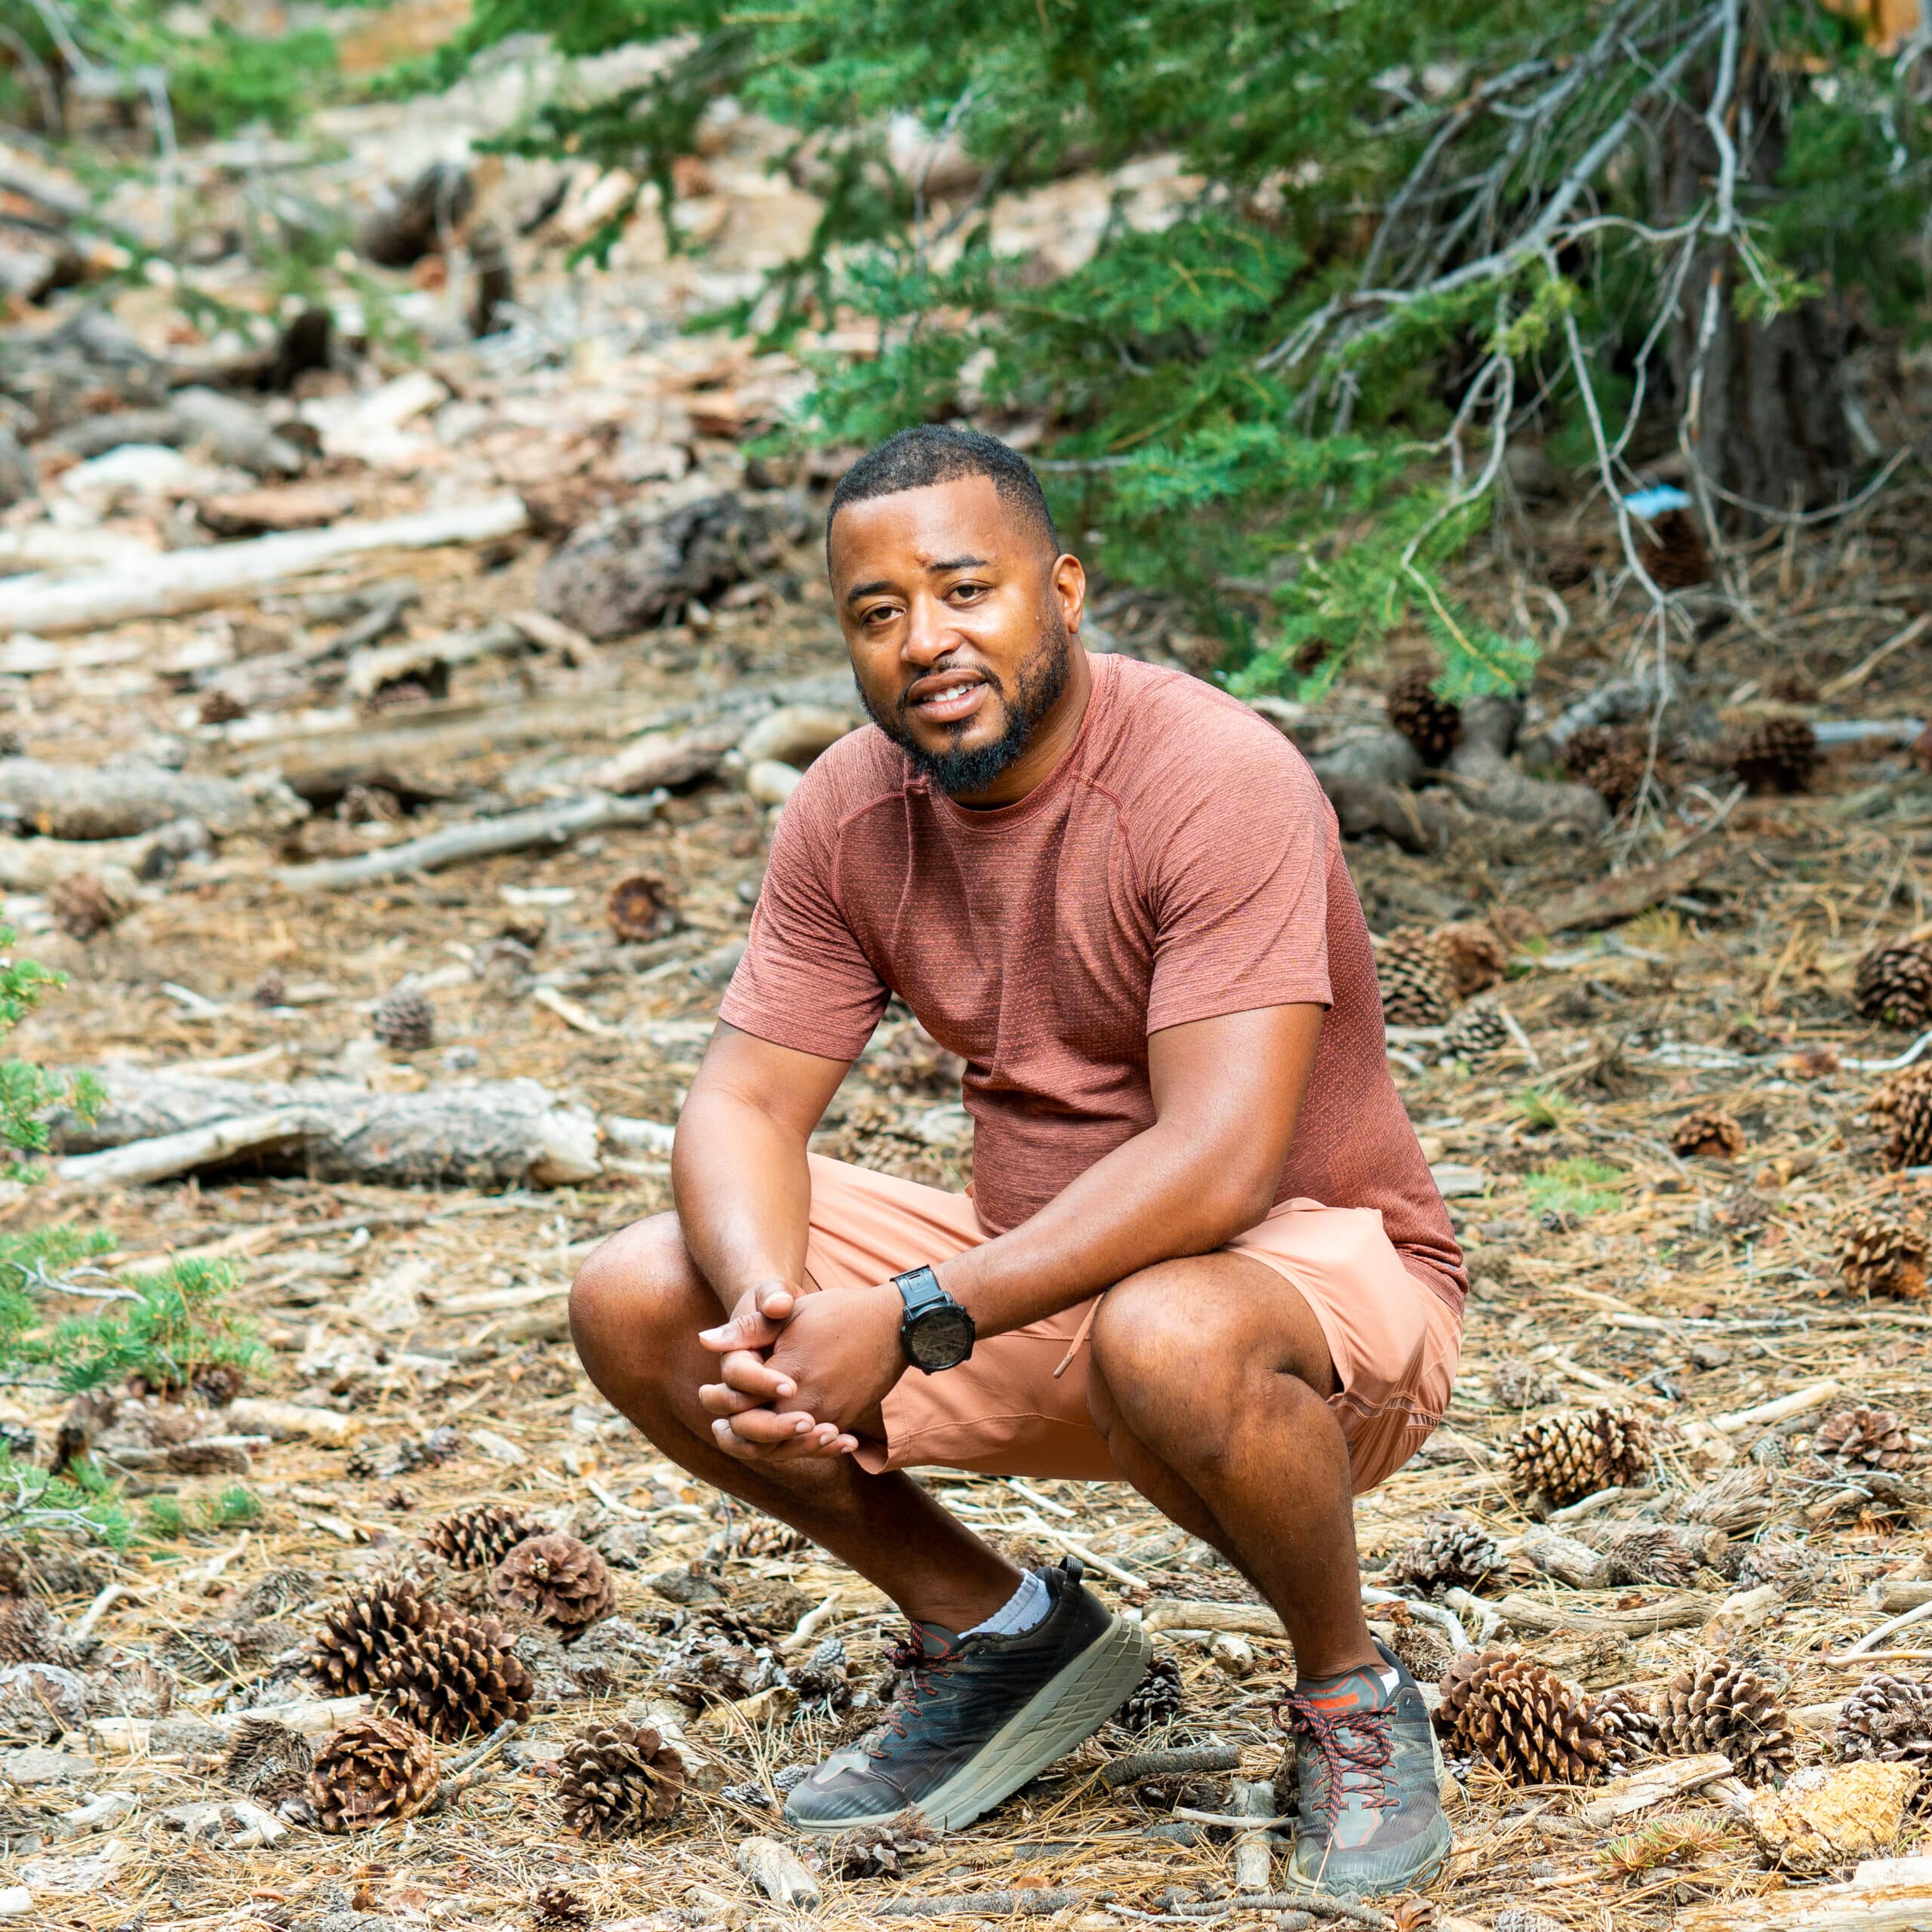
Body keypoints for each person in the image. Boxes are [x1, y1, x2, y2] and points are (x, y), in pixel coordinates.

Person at [571, 424, 1465, 1894]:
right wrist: (766, 1318)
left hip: (1300, 1293)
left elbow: (1218, 1162)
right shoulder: (849, 811)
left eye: (963, 589)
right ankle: (999, 1637)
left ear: (1060, 589)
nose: (924, 640)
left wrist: (913, 1310)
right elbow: (739, 1107)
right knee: (638, 1290)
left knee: (1168, 1326)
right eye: (877, 612)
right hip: (1029, 1287)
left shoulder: (1208, 775)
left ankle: (1348, 1694)